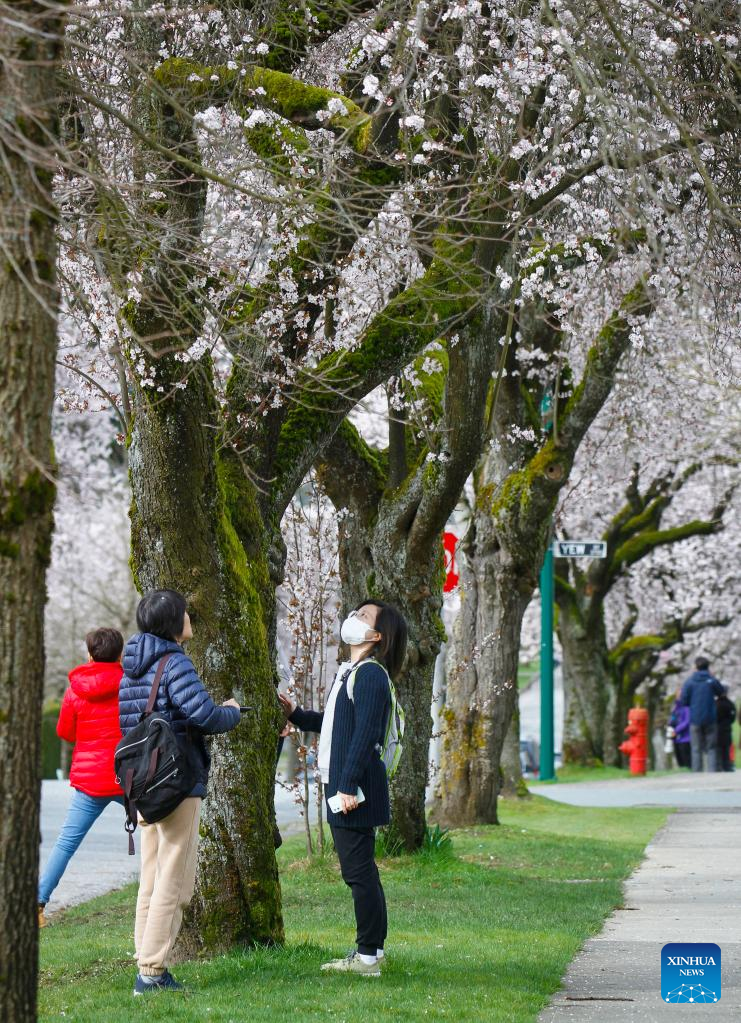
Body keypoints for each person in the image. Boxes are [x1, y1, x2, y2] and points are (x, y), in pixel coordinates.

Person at [119, 590, 241, 995]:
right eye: (186, 613)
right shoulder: (174, 662)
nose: (190, 618)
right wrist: (232, 712)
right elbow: (204, 715)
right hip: (177, 783)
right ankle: (151, 973)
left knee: (151, 878)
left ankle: (145, 960)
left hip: (143, 785)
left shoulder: (130, 668)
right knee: (175, 881)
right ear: (174, 621)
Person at [279, 599, 407, 978]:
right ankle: (372, 952)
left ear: (377, 635)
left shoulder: (369, 674)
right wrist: (296, 715)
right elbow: (337, 723)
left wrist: (347, 786)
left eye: (363, 616)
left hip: (354, 789)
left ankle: (367, 958)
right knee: (362, 871)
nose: (353, 618)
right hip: (347, 785)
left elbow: (366, 733)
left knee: (358, 873)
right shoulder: (351, 672)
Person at [38, 628, 126, 926]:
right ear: (120, 654)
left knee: (66, 843)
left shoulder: (75, 690)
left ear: (90, 655)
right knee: (162, 831)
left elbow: (65, 732)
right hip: (128, 778)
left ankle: (38, 904)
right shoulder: (131, 683)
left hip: (90, 781)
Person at [679, 656, 724, 772]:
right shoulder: (712, 680)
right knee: (711, 747)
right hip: (710, 717)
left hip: (695, 718)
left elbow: (683, 700)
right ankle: (712, 772)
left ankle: (697, 773)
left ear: (696, 667)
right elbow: (721, 692)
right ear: (708, 667)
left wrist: (693, 704)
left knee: (696, 748)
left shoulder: (689, 682)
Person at [715, 684, 736, 773]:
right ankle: (727, 766)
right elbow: (733, 717)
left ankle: (718, 766)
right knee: (726, 748)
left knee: (718, 748)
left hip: (717, 728)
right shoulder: (730, 704)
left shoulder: (716, 704)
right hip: (726, 728)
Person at [669, 689, 691, 769]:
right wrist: (670, 724)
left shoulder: (687, 707)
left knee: (687, 763)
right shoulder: (675, 708)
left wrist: (676, 730)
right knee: (680, 763)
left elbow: (687, 722)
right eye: (677, 695)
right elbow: (672, 719)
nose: (679, 697)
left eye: (680, 695)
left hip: (686, 739)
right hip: (676, 739)